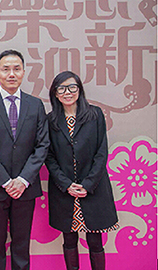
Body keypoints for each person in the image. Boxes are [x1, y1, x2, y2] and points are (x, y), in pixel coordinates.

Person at [0, 49, 49, 270]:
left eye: (16, 69)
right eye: (6, 69)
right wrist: (6, 181)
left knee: (21, 245)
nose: (11, 74)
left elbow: (42, 145)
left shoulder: (35, 105)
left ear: (24, 72)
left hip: (26, 188)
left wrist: (23, 180)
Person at [45, 71, 119, 270]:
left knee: (95, 242)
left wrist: (87, 184)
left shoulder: (94, 115)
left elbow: (101, 152)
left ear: (79, 90)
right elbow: (49, 157)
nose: (67, 92)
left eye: (72, 87)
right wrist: (66, 184)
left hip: (92, 190)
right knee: (69, 241)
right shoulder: (50, 120)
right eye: (61, 88)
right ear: (55, 93)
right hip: (65, 191)